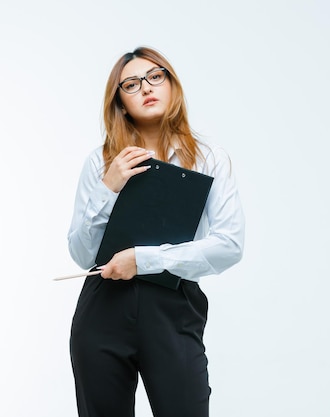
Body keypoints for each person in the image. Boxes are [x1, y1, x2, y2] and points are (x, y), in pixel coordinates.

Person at [67, 46, 245, 417]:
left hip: (174, 306)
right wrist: (108, 187)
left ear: (171, 84)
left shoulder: (208, 157)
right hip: (103, 308)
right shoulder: (101, 161)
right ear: (119, 101)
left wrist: (144, 259)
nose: (146, 87)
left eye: (155, 76)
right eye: (130, 84)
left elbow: (228, 245)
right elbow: (83, 256)